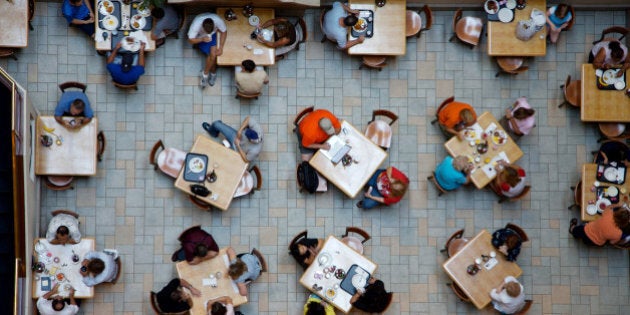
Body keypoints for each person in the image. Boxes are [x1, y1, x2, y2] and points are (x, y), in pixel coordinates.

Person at [188, 13, 227, 88]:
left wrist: (221, 47)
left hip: (213, 36)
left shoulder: (218, 20)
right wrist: (202, 39)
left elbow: (224, 32)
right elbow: (190, 40)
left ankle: (205, 74)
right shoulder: (196, 25)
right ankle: (212, 73)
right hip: (201, 37)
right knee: (212, 56)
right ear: (202, 26)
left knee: (213, 55)